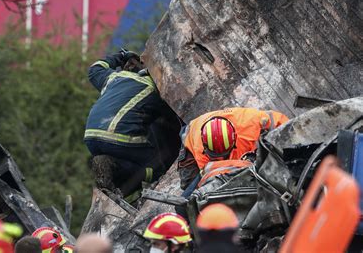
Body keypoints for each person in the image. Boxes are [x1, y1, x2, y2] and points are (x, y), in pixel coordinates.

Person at [84, 49, 175, 202]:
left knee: (124, 160)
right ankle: (131, 194)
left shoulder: (115, 77)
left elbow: (94, 69)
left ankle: (111, 179)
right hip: (119, 137)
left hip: (91, 136)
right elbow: (172, 117)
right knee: (157, 165)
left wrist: (121, 55)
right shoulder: (155, 89)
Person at [178, 107, 289, 195]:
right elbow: (213, 178)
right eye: (215, 155)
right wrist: (246, 164)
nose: (221, 159)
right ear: (205, 146)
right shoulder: (199, 149)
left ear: (235, 138)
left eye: (224, 154)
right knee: (190, 192)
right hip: (189, 133)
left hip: (236, 129)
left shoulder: (250, 123)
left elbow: (283, 124)